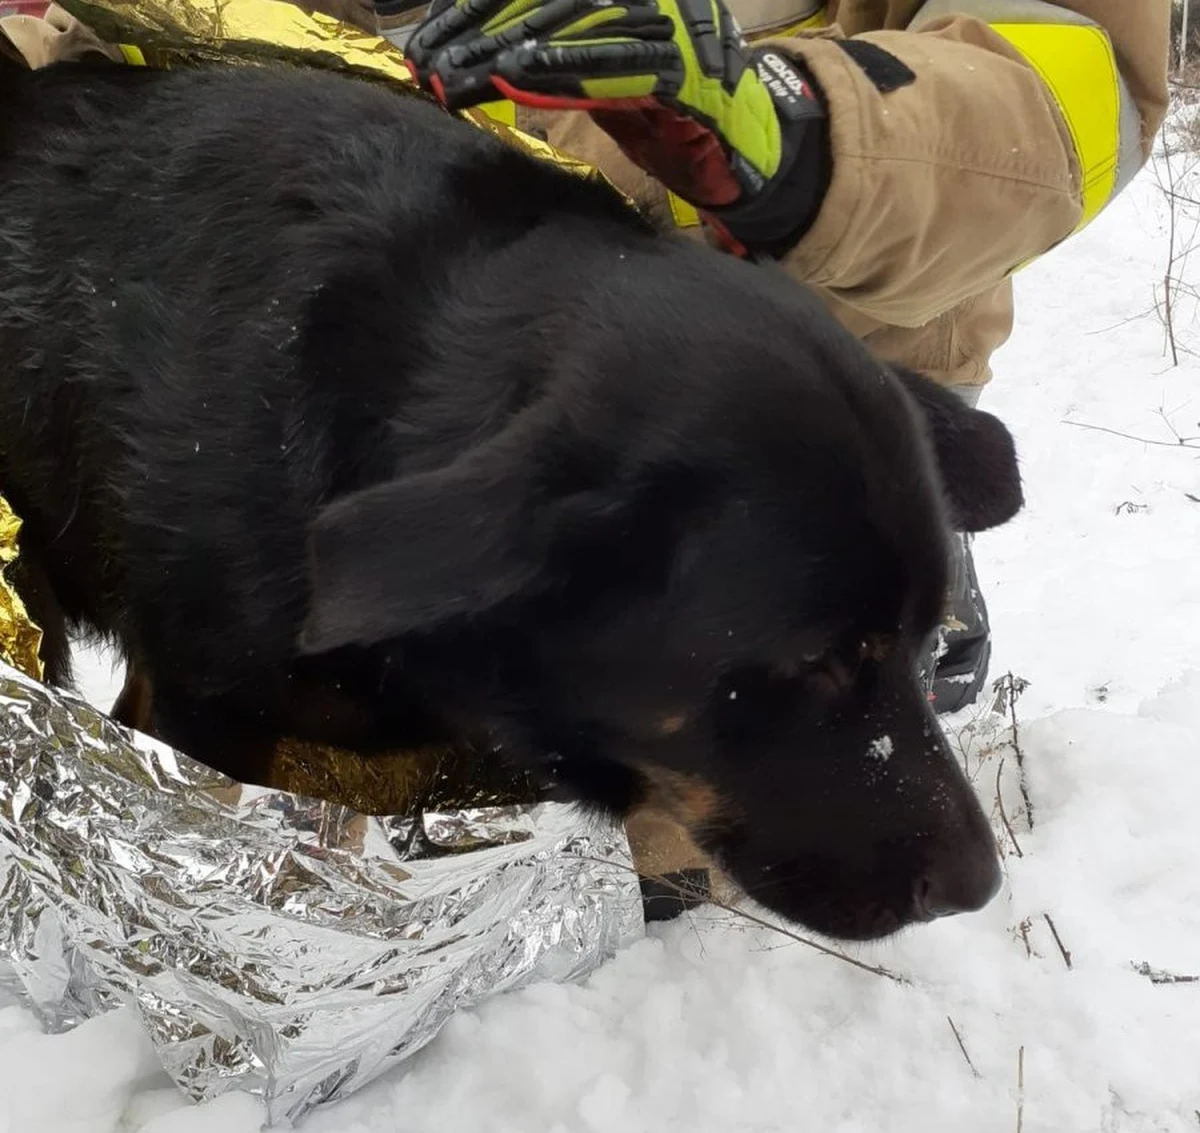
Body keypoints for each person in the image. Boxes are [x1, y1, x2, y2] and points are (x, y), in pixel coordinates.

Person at [0, 0, 1172, 916]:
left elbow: (1086, 73)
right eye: (828, 664)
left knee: (580, 878)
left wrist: (812, 133)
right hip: (321, 317)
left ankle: (858, 609)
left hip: (792, 359)